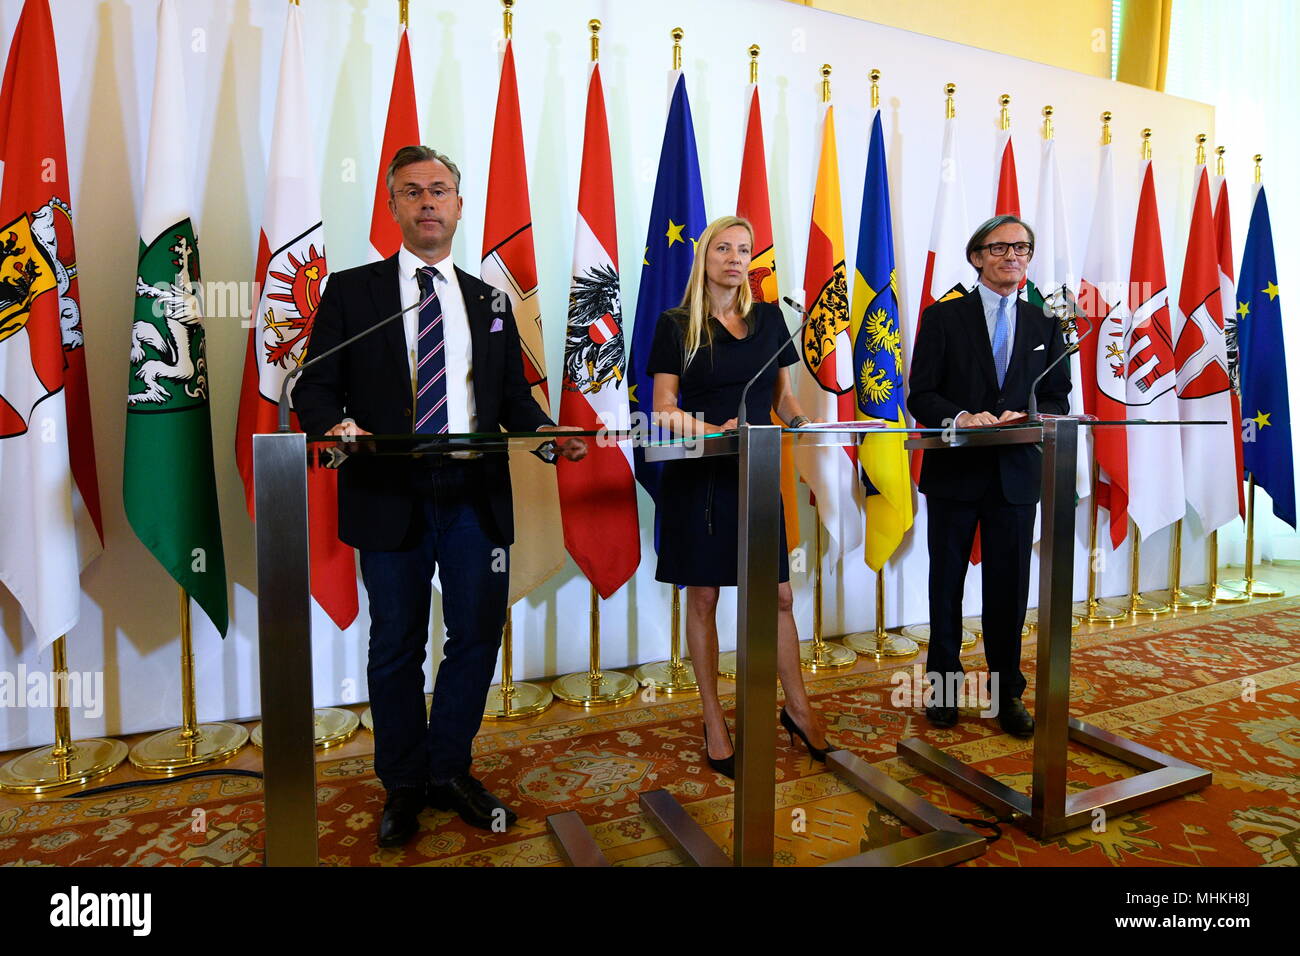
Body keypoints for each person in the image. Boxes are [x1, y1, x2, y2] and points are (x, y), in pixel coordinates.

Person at [293, 146, 586, 848]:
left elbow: (513, 396)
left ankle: (448, 767)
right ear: (392, 206)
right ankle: (401, 783)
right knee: (396, 641)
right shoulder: (352, 292)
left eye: (441, 190)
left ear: (459, 205)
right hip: (387, 489)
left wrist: (549, 433)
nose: (428, 203)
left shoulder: (487, 299)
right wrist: (333, 424)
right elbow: (314, 387)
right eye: (413, 192)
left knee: (477, 634)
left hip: (471, 495)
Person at [646, 215, 833, 777]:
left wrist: (801, 424)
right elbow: (663, 409)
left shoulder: (771, 319)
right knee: (703, 599)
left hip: (756, 477)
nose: (734, 257)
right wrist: (714, 432)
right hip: (700, 479)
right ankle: (712, 717)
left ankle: (797, 709)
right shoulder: (676, 324)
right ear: (704, 257)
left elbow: (783, 397)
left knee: (777, 597)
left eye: (743, 249)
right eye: (723, 248)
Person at [906, 214, 1070, 738]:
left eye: (1022, 248)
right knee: (946, 585)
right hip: (957, 470)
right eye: (1000, 248)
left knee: (1009, 590)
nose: (1012, 257)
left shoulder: (1047, 325)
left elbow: (1057, 396)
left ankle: (1007, 695)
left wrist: (1026, 414)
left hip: (1016, 474)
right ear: (977, 257)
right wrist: (960, 418)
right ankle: (945, 689)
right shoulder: (943, 317)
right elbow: (921, 394)